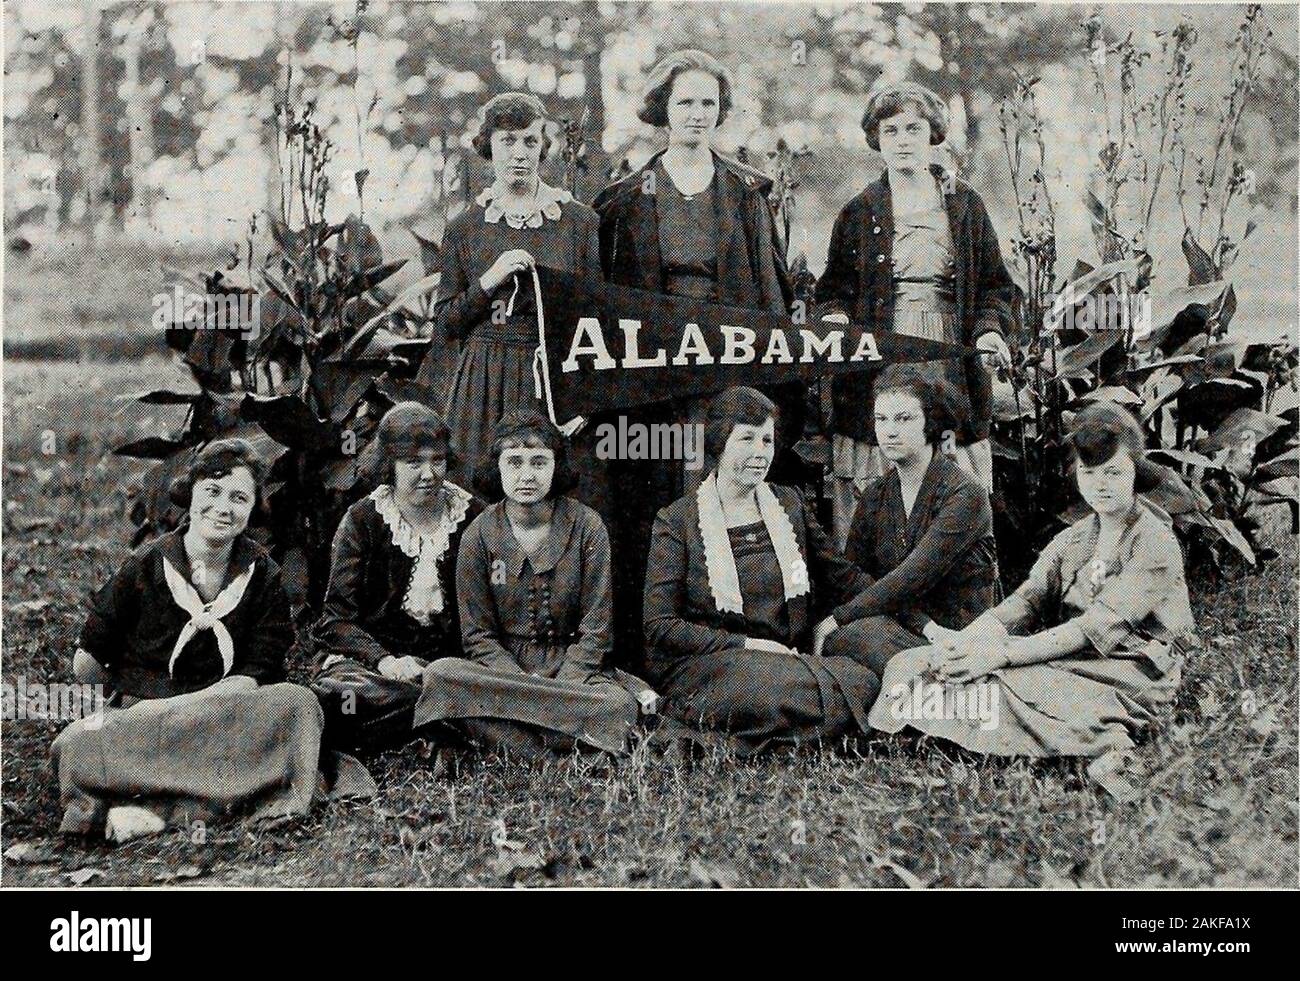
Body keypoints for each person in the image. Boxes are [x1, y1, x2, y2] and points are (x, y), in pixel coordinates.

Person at [592, 49, 801, 666]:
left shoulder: (744, 191)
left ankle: (734, 641)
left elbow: (769, 292)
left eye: (708, 103)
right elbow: (602, 304)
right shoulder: (627, 197)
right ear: (662, 108)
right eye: (684, 101)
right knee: (659, 496)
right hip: (653, 383)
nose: (697, 114)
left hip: (726, 375)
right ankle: (653, 647)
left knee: (726, 487)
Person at [868, 403, 1198, 758]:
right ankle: (971, 732)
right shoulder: (1076, 537)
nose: (1100, 485)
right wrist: (963, 645)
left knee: (1002, 683)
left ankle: (1093, 737)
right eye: (1089, 473)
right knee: (912, 664)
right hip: (1071, 658)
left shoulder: (1154, 540)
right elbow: (1026, 601)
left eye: (1113, 473)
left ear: (1136, 473)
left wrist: (998, 655)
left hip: (1130, 668)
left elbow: (1091, 627)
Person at [52, 439, 338, 838]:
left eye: (239, 497)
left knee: (299, 703)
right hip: (150, 717)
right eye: (212, 492)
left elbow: (254, 675)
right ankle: (205, 802)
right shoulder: (145, 566)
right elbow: (88, 661)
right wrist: (137, 713)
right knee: (75, 745)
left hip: (226, 714)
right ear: (190, 496)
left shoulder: (264, 576)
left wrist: (190, 709)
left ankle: (159, 809)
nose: (223, 508)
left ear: (254, 506)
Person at [816, 80, 1015, 547]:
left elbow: (995, 286)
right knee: (882, 453)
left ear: (932, 135)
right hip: (881, 353)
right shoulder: (859, 211)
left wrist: (988, 332)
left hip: (949, 354)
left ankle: (956, 584)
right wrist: (835, 320)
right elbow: (833, 289)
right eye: (890, 131)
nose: (902, 141)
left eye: (913, 129)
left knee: (949, 459)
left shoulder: (965, 206)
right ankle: (872, 596)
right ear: (877, 140)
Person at [642, 387, 881, 755]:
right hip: (712, 666)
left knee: (863, 678)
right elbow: (660, 625)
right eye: (747, 439)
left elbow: (843, 577)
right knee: (769, 688)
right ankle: (815, 728)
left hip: (788, 661)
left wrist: (872, 607)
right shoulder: (677, 521)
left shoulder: (789, 504)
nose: (759, 452)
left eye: (767, 440)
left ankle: (767, 734)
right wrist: (749, 645)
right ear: (719, 444)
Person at [414, 412, 652, 758]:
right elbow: (478, 636)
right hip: (502, 673)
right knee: (440, 675)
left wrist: (563, 682)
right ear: (498, 468)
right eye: (514, 463)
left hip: (575, 673)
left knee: (618, 705)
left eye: (539, 462)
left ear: (557, 467)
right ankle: (567, 746)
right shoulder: (478, 535)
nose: (527, 475)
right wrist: (521, 683)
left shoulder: (588, 527)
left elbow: (597, 629)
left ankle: (507, 741)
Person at [423, 91, 602, 493]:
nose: (519, 153)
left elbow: (597, 322)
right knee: (480, 496)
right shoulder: (465, 227)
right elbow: (448, 323)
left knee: (554, 494)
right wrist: (490, 280)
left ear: (543, 147)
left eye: (530, 141)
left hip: (551, 378)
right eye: (507, 141)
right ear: (488, 145)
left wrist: (583, 398)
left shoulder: (578, 223)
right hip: (484, 377)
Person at [309, 402, 480, 753]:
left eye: (437, 460)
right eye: (413, 463)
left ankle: (430, 718)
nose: (429, 474)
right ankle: (441, 722)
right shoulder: (362, 521)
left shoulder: (471, 515)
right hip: (374, 667)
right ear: (390, 464)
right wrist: (385, 660)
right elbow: (335, 620)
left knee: (461, 685)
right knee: (344, 698)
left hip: (450, 665)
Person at [823, 369, 998, 676]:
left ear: (930, 423)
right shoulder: (876, 494)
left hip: (958, 635)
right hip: (908, 629)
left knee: (848, 635)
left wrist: (838, 617)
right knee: (851, 638)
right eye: (882, 420)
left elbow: (913, 574)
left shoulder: (965, 493)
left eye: (904, 419)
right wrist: (923, 626)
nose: (890, 431)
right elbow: (854, 576)